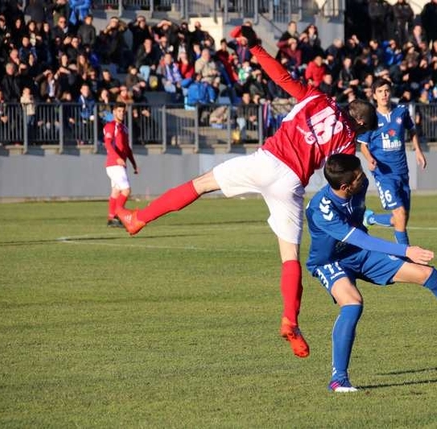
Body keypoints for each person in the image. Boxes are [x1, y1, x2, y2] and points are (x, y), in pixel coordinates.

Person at [115, 25, 378, 359]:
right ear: (360, 126)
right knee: (290, 257)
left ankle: (138, 219)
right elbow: (336, 174)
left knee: (199, 186)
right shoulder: (346, 143)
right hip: (291, 183)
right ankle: (290, 320)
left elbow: (281, 78)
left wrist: (254, 47)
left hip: (266, 160)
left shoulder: (318, 99)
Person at [306, 154, 437, 392]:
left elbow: (359, 228)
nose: (364, 177)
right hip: (330, 261)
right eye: (358, 176)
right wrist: (405, 249)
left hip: (359, 252)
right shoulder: (321, 210)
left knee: (427, 274)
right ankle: (338, 379)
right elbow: (360, 238)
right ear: (345, 186)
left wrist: (378, 221)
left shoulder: (360, 185)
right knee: (353, 303)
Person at [360, 78, 426, 245]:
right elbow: (363, 146)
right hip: (384, 174)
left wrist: (418, 150)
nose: (384, 94)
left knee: (402, 218)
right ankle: (404, 256)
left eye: (387, 90)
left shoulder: (401, 112)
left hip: (402, 171)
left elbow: (412, 130)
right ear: (374, 95)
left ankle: (371, 218)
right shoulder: (370, 118)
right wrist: (369, 159)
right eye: (380, 91)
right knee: (400, 213)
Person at [105, 102, 139, 228]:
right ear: (114, 112)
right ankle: (119, 214)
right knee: (126, 190)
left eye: (123, 111)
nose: (121, 113)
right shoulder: (110, 126)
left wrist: (134, 163)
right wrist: (117, 158)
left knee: (116, 191)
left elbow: (127, 148)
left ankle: (111, 218)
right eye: (119, 111)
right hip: (114, 164)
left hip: (119, 164)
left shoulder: (124, 128)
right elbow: (108, 144)